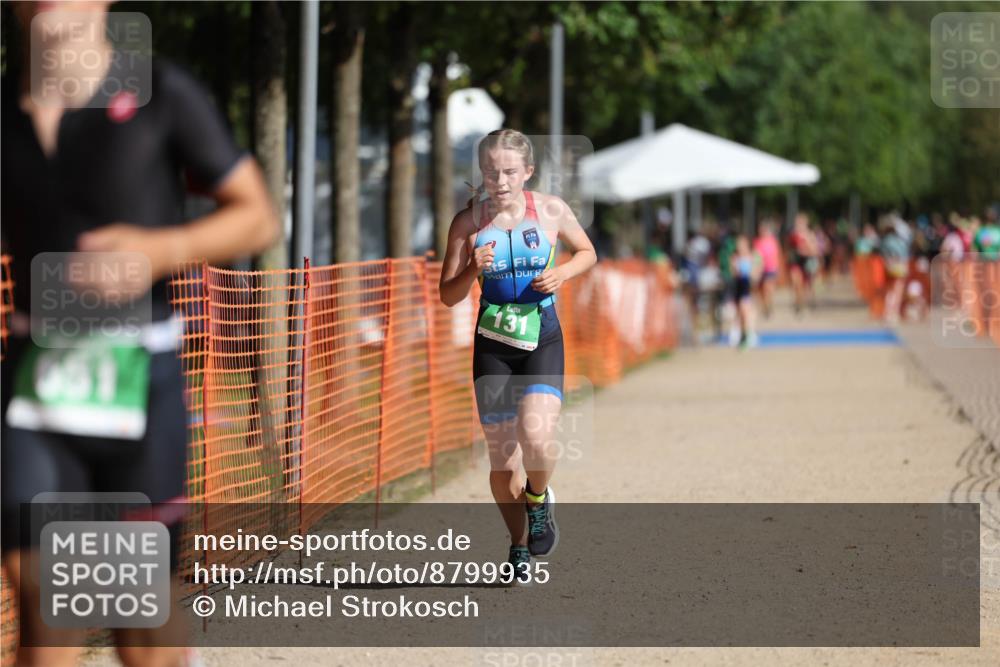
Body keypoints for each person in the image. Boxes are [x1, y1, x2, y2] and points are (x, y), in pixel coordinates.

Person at [1, 3, 279, 666]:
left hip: (139, 381)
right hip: (34, 382)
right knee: (45, 612)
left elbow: (258, 217)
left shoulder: (162, 91)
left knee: (139, 625)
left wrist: (159, 250)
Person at [439, 129, 596, 584]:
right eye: (491, 171)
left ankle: (539, 499)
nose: (500, 180)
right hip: (493, 344)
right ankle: (519, 545)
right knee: (502, 460)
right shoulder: (467, 223)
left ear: (527, 171)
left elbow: (587, 251)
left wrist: (562, 273)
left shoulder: (550, 211)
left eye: (509, 171)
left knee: (536, 436)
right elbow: (448, 296)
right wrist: (472, 268)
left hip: (542, 336)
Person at [730, 235, 762, 348]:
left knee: (747, 310)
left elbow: (758, 272)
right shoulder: (735, 257)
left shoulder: (754, 256)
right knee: (740, 312)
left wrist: (751, 273)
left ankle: (750, 334)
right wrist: (737, 269)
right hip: (739, 286)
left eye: (742, 244)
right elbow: (734, 272)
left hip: (750, 287)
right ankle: (742, 334)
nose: (740, 247)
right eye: (738, 244)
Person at [752, 220, 780, 319]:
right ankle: (765, 307)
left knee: (768, 289)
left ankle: (769, 307)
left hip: (771, 269)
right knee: (761, 291)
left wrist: (777, 268)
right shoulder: (756, 242)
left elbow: (776, 255)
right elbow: (755, 257)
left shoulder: (773, 241)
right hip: (760, 269)